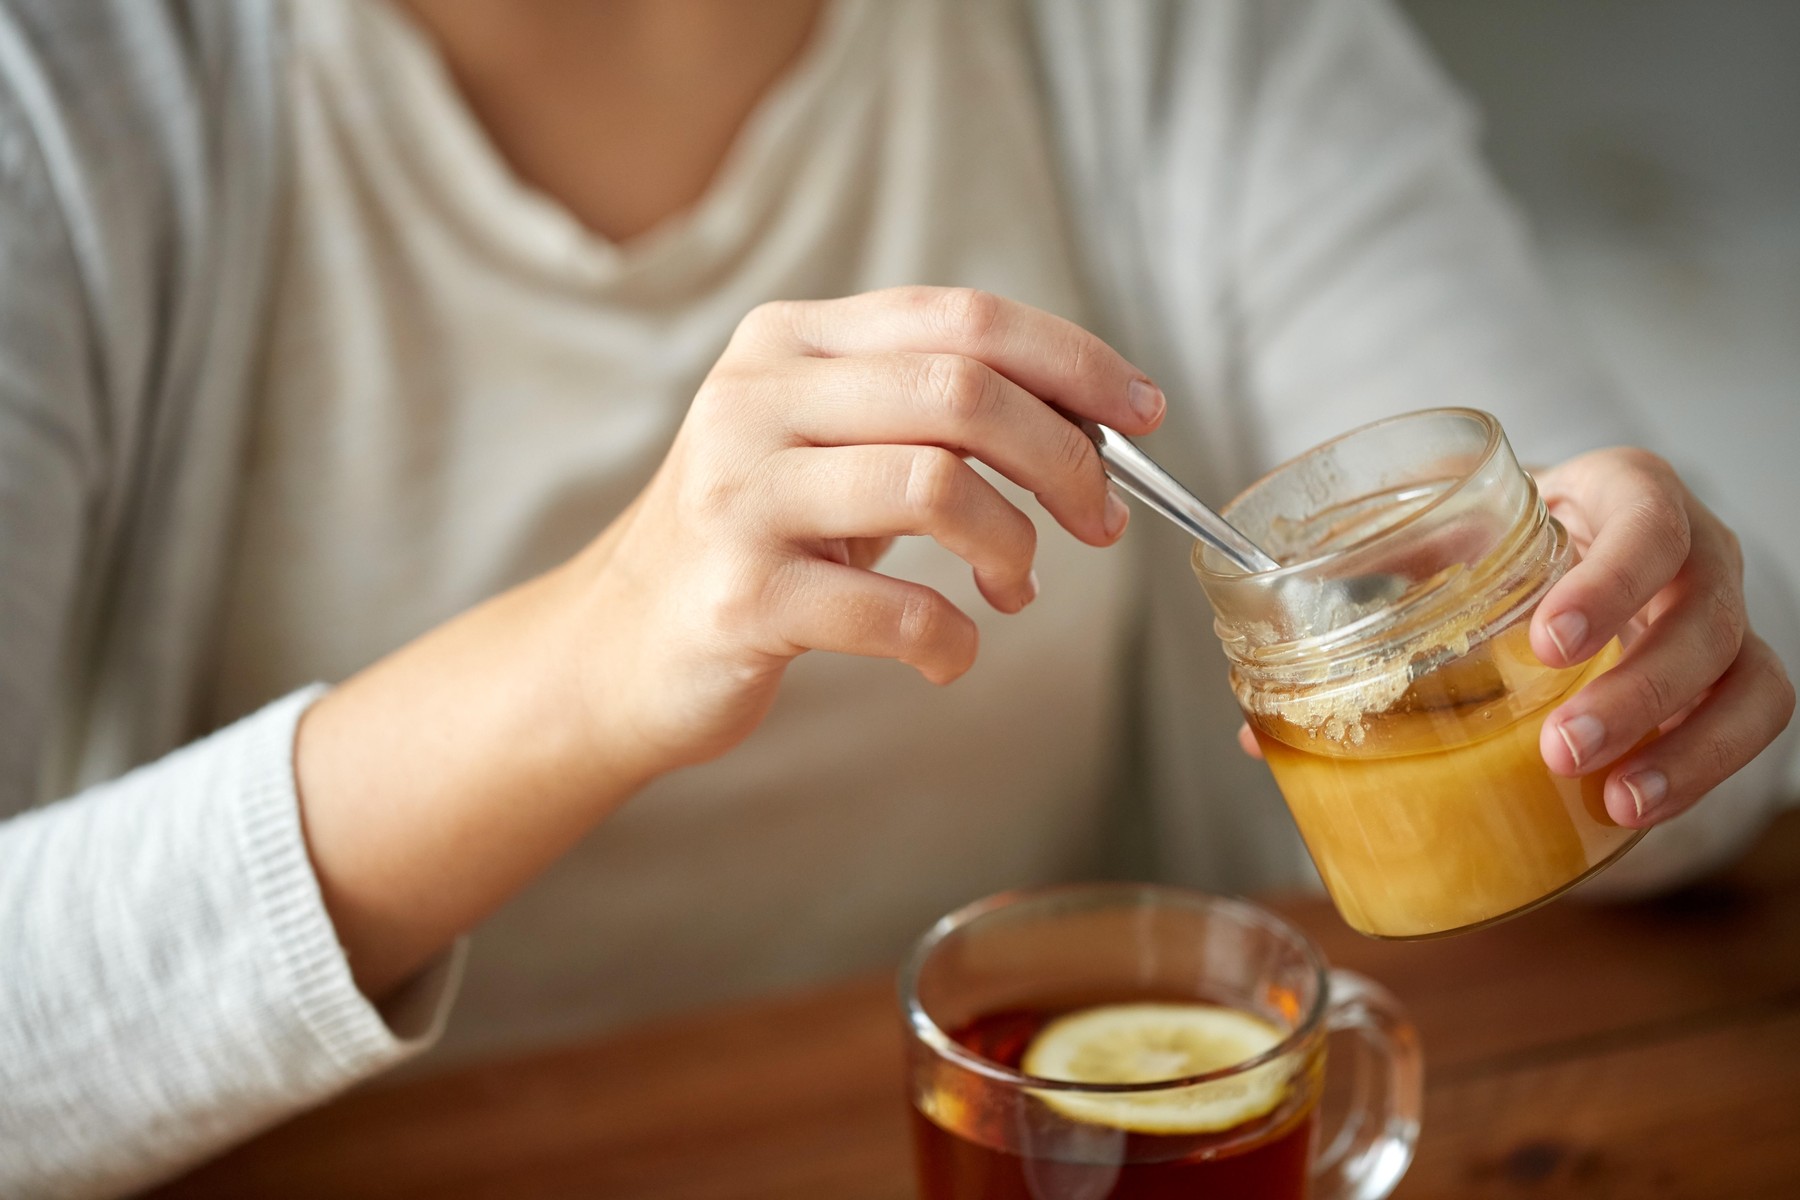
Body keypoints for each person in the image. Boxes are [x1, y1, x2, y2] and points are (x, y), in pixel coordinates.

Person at [1, 0, 1793, 1195]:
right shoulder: (70, 94)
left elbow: (1652, 746)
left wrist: (1663, 638)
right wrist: (603, 649)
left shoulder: (1178, 39)